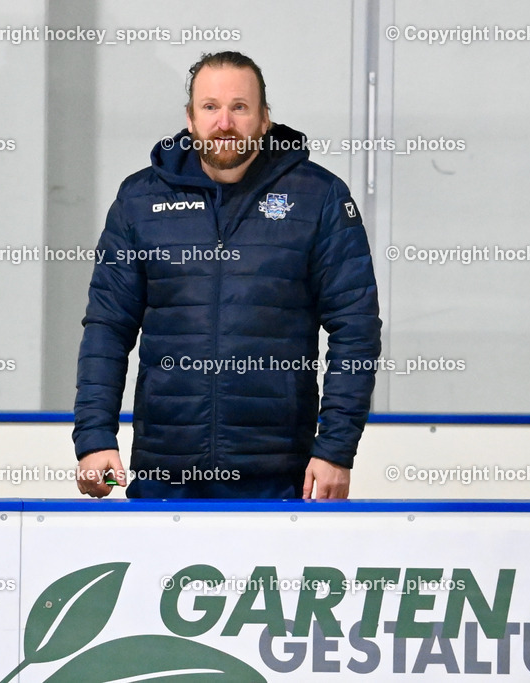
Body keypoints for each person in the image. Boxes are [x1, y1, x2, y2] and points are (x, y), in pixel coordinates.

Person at [72, 51, 381, 499]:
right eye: (210, 107)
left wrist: (335, 449)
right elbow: (107, 327)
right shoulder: (138, 200)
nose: (224, 122)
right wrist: (95, 437)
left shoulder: (320, 197)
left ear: (264, 119)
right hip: (166, 474)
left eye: (240, 107)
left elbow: (356, 328)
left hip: (279, 478)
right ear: (190, 119)